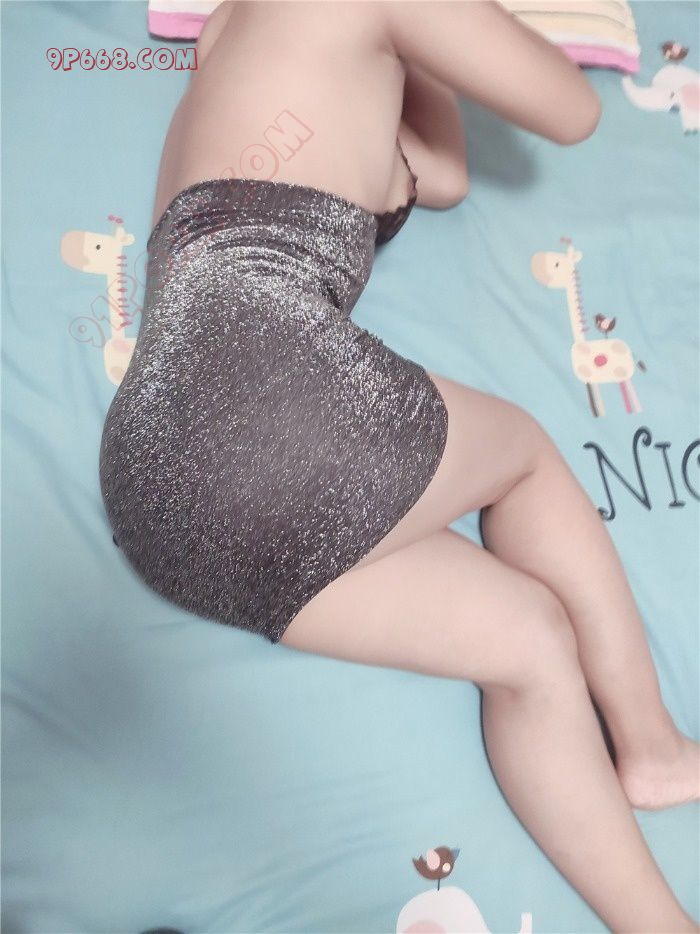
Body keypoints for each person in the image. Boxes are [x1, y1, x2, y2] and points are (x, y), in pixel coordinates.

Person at [99, 3, 700, 930]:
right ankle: (654, 744)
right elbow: (573, 112)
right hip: (267, 389)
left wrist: (421, 45)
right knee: (525, 457)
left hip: (157, 477)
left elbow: (441, 176)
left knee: (529, 640)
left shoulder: (233, 33)